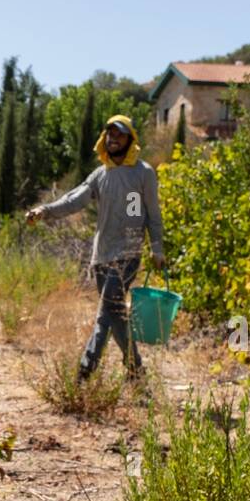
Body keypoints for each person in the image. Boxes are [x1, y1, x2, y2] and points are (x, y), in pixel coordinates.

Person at [25, 115, 165, 382]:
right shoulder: (101, 174)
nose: (113, 139)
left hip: (128, 253)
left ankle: (84, 373)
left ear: (130, 139)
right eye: (110, 135)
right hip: (101, 255)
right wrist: (45, 210)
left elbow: (152, 214)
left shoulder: (143, 173)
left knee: (105, 313)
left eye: (120, 135)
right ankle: (136, 371)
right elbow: (74, 200)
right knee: (116, 315)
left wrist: (156, 248)